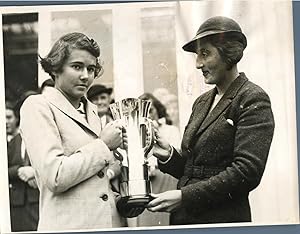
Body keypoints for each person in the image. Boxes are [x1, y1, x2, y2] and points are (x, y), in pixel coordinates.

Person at [147, 16, 275, 225]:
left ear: (230, 54)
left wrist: (185, 197)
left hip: (223, 220)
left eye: (205, 53)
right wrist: (167, 154)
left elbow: (247, 172)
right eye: (198, 55)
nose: (198, 64)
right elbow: (193, 169)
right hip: (184, 220)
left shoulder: (252, 97)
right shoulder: (202, 101)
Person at [19, 32, 126, 231]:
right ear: (55, 68)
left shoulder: (91, 110)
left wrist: (120, 202)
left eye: (91, 69)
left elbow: (95, 179)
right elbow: (55, 176)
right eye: (77, 66)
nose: (86, 76)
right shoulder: (38, 106)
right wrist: (103, 145)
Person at [134, 93, 180, 227]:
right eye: (143, 111)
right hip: (146, 178)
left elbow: (174, 153)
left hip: (165, 176)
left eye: (151, 110)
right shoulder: (135, 134)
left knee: (164, 216)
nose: (148, 114)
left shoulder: (170, 130)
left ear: (157, 110)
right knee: (147, 218)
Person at [7, 99, 39, 231]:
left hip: (37, 199)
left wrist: (35, 172)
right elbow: (4, 170)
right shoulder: (14, 141)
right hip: (17, 203)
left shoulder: (44, 138)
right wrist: (19, 170)